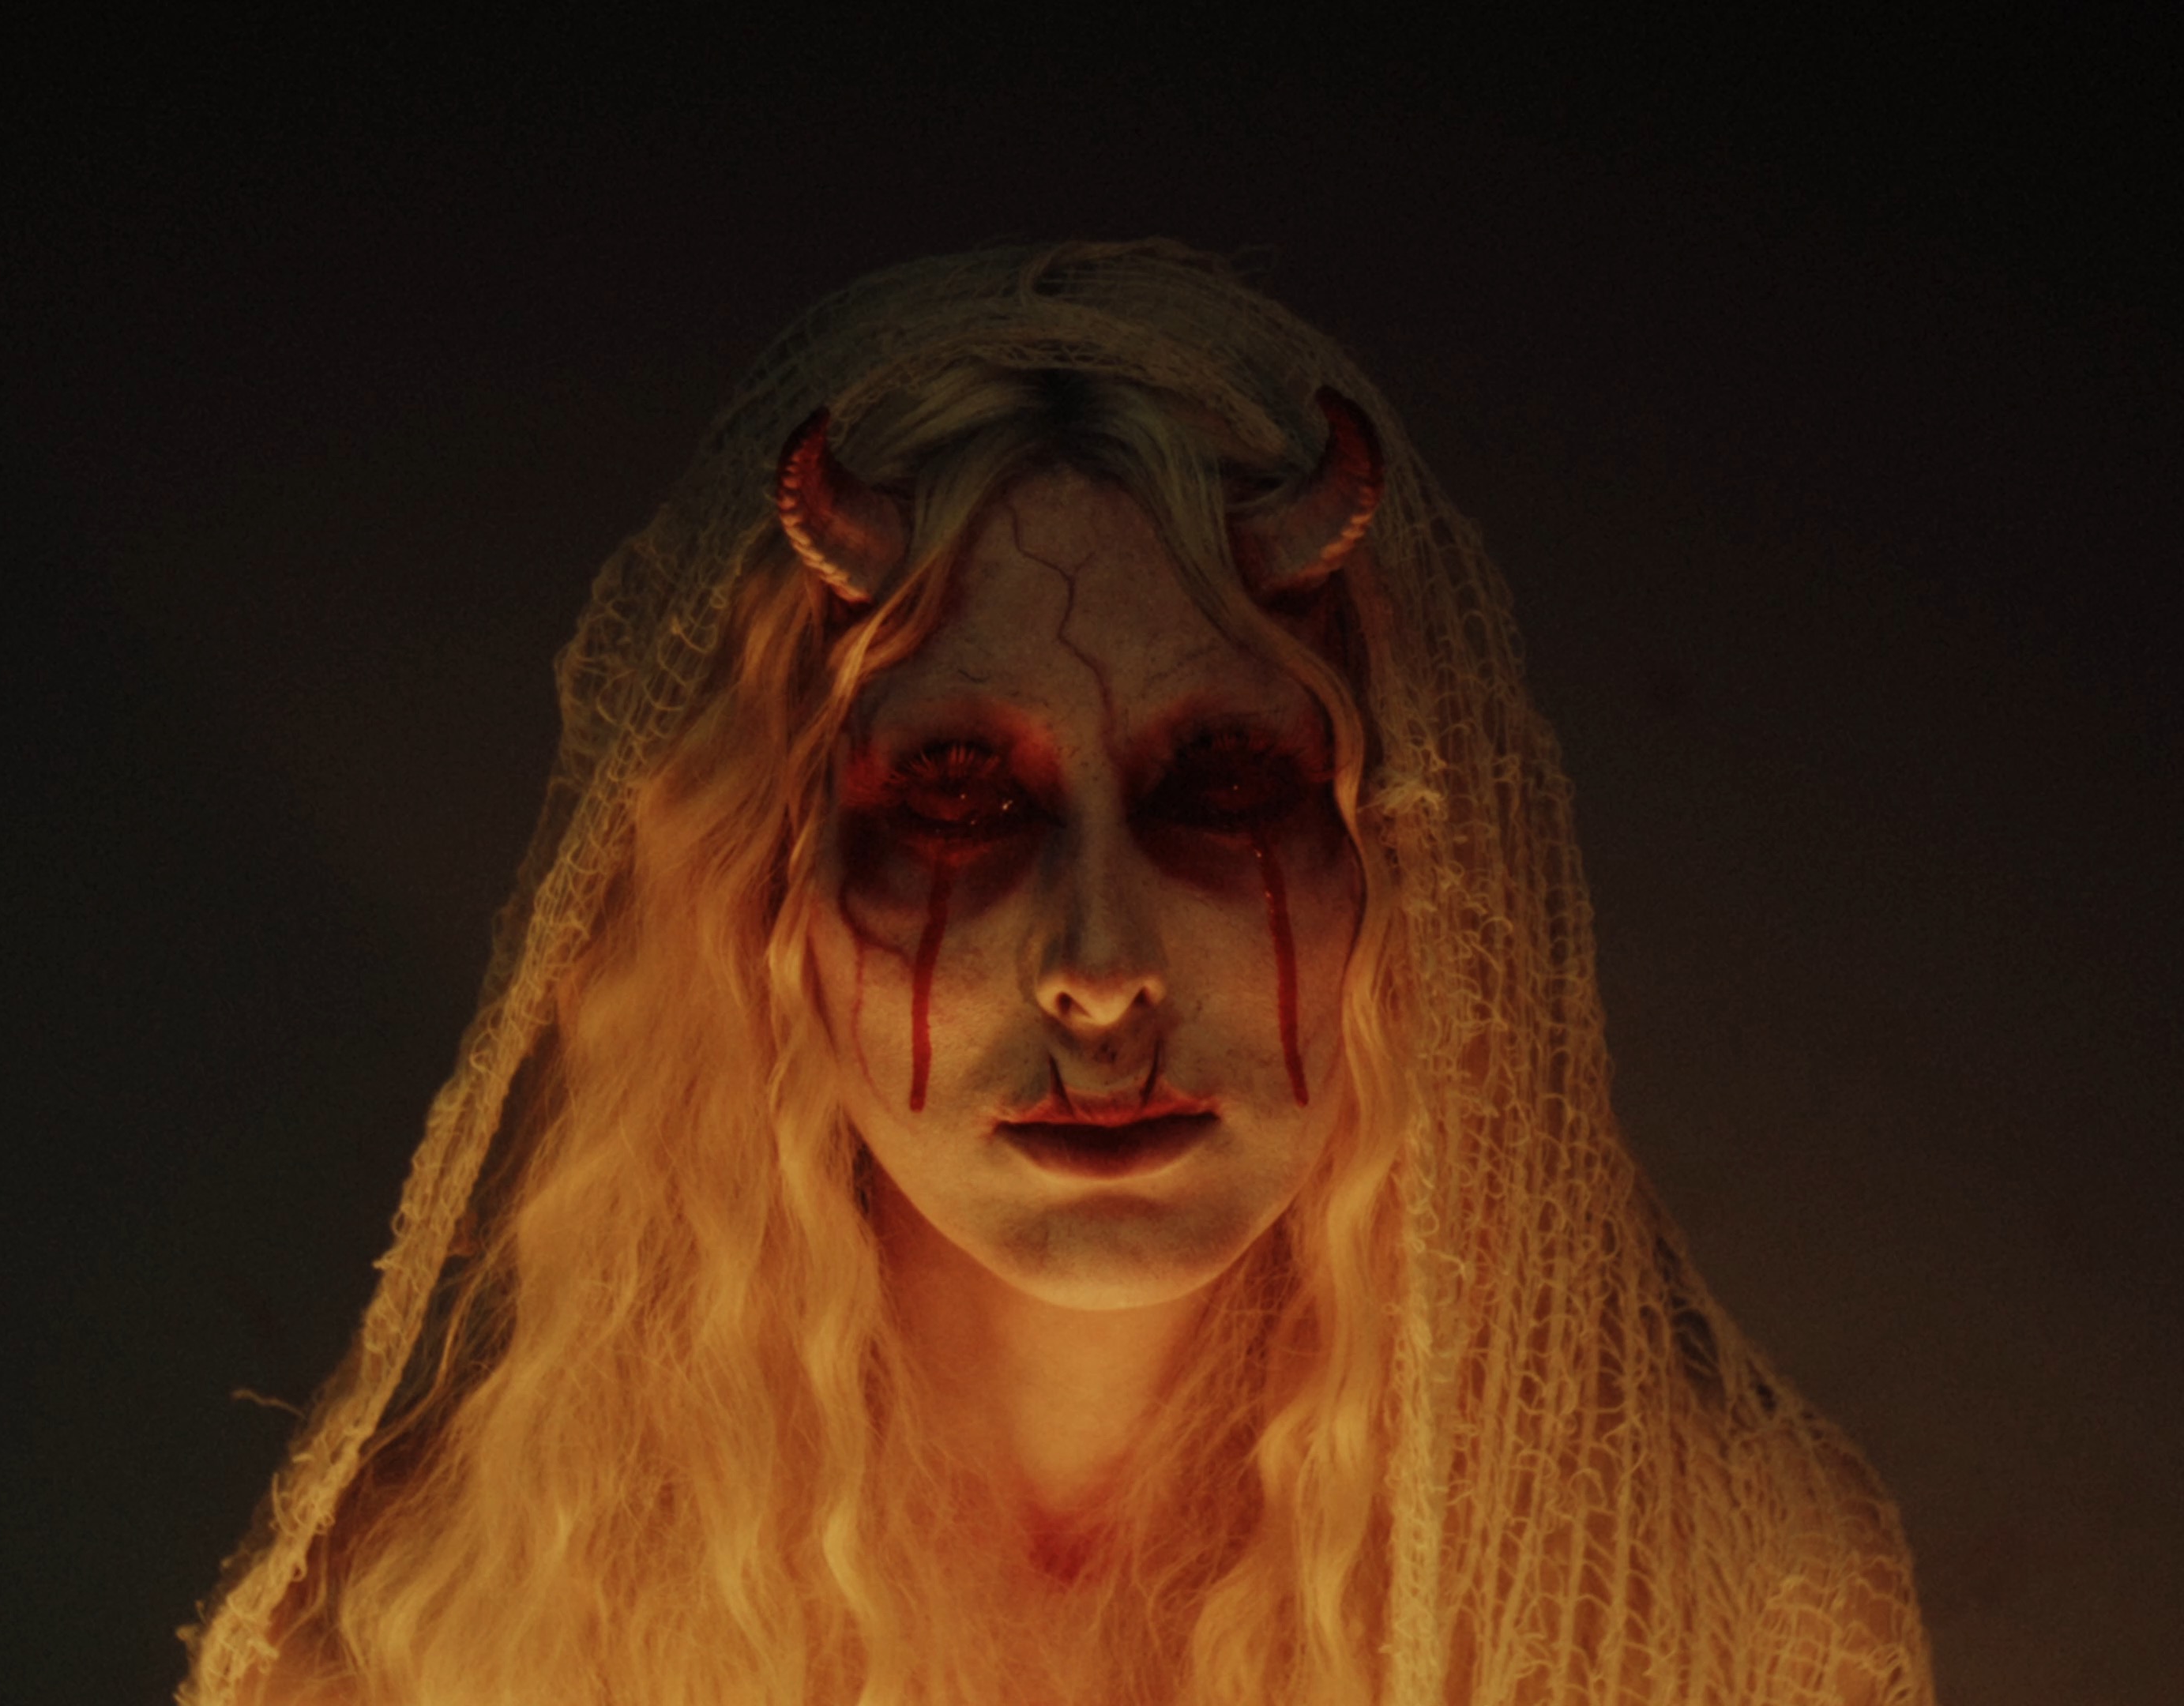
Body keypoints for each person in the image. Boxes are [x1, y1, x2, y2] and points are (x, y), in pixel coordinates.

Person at [181, 241, 1934, 1704]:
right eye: (959, 797)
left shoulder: (1731, 1625)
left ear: (1411, 866)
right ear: (765, 891)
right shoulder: (426, 1647)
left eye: (1225, 785)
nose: (1101, 971)